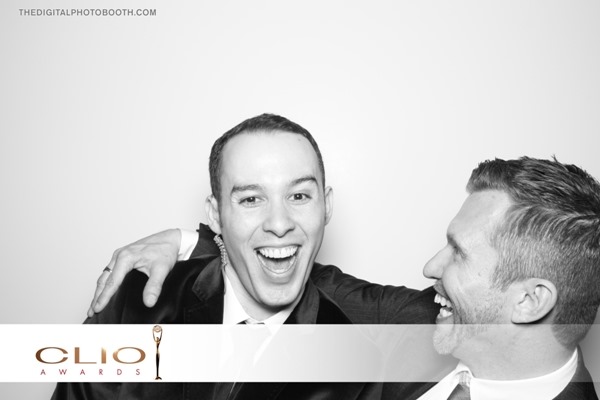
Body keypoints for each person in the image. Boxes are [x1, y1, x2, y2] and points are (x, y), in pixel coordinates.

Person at [90, 156, 600, 399]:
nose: (430, 267)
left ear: (530, 301)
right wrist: (195, 241)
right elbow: (311, 279)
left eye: (459, 254)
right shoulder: (419, 323)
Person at [51, 113, 387, 400]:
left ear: (326, 206)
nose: (279, 224)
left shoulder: (358, 369)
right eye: (251, 199)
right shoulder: (132, 303)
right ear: (215, 215)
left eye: (299, 196)